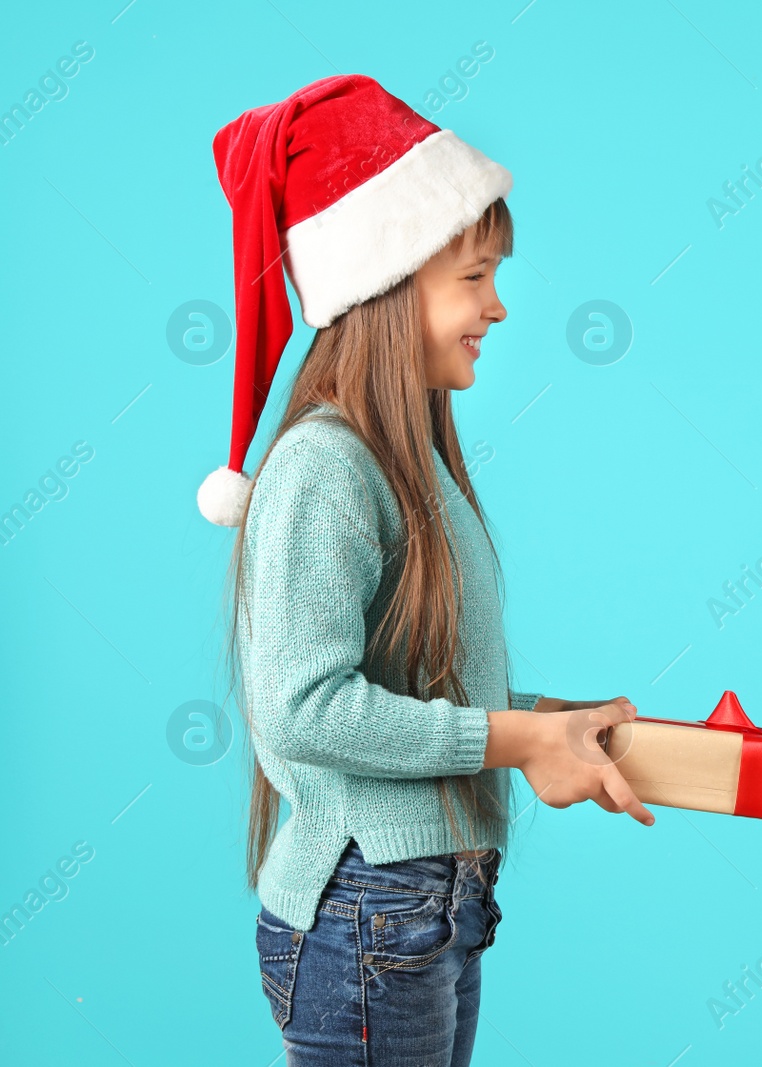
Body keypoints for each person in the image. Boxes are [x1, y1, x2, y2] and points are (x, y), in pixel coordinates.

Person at [204, 74, 654, 1064]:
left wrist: (550, 721)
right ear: (388, 279)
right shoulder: (324, 467)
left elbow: (424, 693)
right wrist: (517, 735)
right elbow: (303, 708)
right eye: (473, 276)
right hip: (367, 909)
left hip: (428, 904)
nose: (497, 305)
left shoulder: (415, 469)